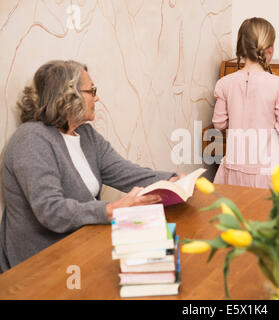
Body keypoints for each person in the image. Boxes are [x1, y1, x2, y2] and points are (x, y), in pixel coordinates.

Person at [0, 60, 183, 272]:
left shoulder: (86, 135)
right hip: (41, 264)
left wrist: (173, 180)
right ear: (68, 97)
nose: (97, 97)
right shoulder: (31, 139)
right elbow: (51, 211)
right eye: (91, 90)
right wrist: (108, 210)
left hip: (84, 245)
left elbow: (126, 173)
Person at [212, 17, 279, 189]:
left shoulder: (225, 82)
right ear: (270, 50)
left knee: (236, 215)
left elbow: (219, 124)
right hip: (268, 174)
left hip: (233, 170)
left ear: (240, 49)